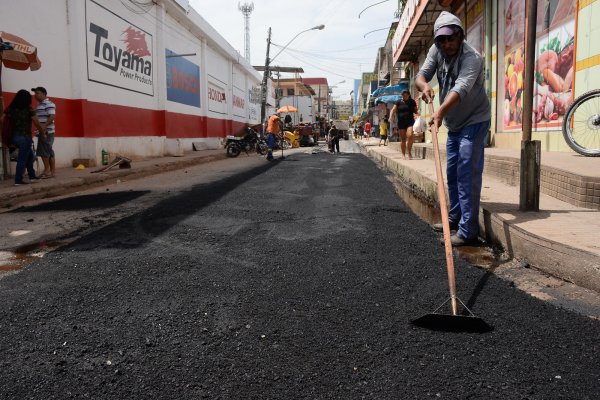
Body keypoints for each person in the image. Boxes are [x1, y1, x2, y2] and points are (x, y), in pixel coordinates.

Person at [416, 11, 491, 246]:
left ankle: (468, 231)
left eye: (451, 39)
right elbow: (421, 75)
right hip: (454, 123)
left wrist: (439, 113)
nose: (447, 44)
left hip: (475, 120)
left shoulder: (472, 58)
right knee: (453, 173)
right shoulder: (436, 50)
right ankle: (454, 219)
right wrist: (424, 86)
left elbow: (460, 90)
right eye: (442, 40)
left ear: (460, 35)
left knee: (467, 170)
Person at [1, 90, 44, 186]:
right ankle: (18, 180)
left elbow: (2, 119)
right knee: (22, 159)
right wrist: (42, 133)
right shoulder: (28, 109)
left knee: (30, 156)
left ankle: (32, 176)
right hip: (25, 138)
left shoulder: (10, 108)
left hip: (14, 137)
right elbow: (36, 123)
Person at [32, 87, 56, 178]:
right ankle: (51, 172)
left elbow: (52, 116)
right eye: (35, 93)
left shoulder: (48, 104)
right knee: (49, 151)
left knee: (44, 152)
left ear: (43, 94)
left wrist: (44, 127)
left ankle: (47, 171)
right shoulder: (40, 105)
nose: (35, 95)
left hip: (46, 132)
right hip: (43, 131)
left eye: (37, 93)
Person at [389, 90, 417, 159]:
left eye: (405, 95)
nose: (404, 97)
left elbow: (415, 110)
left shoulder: (412, 101)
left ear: (408, 95)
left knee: (410, 135)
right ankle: (403, 154)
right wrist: (390, 116)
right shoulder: (398, 102)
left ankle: (409, 152)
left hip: (410, 121)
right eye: (402, 95)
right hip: (401, 122)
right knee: (403, 139)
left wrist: (417, 111)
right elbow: (393, 109)